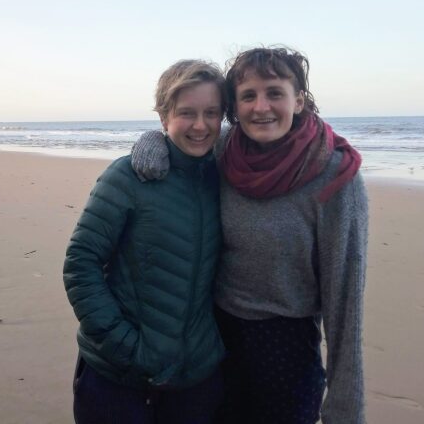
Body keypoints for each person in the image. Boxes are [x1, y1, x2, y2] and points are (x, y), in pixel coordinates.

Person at [132, 47, 368, 424]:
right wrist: (151, 142)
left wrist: (346, 406)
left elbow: (346, 299)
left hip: (286, 351)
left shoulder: (335, 175)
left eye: (274, 92)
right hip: (214, 342)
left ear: (299, 100)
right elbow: (185, 132)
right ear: (234, 108)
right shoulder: (224, 151)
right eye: (248, 96)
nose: (261, 107)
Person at [64, 60, 228, 424]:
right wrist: (124, 347)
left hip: (196, 378)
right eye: (186, 113)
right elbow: (81, 263)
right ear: (163, 116)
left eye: (211, 113)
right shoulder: (128, 175)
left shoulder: (227, 178)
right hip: (118, 377)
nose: (200, 125)